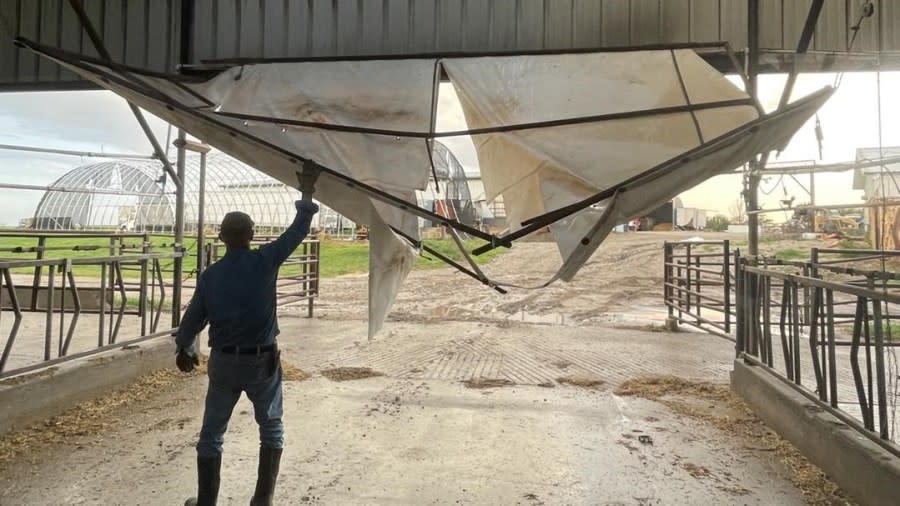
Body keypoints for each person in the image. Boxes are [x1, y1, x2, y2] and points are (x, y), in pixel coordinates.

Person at [175, 172, 319, 506]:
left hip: (223, 362)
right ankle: (262, 500)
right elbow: (298, 229)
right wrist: (307, 190)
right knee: (271, 427)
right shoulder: (265, 260)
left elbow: (194, 317)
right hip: (262, 362)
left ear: (222, 237)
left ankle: (206, 502)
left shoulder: (210, 276)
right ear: (251, 234)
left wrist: (184, 346)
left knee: (212, 434)